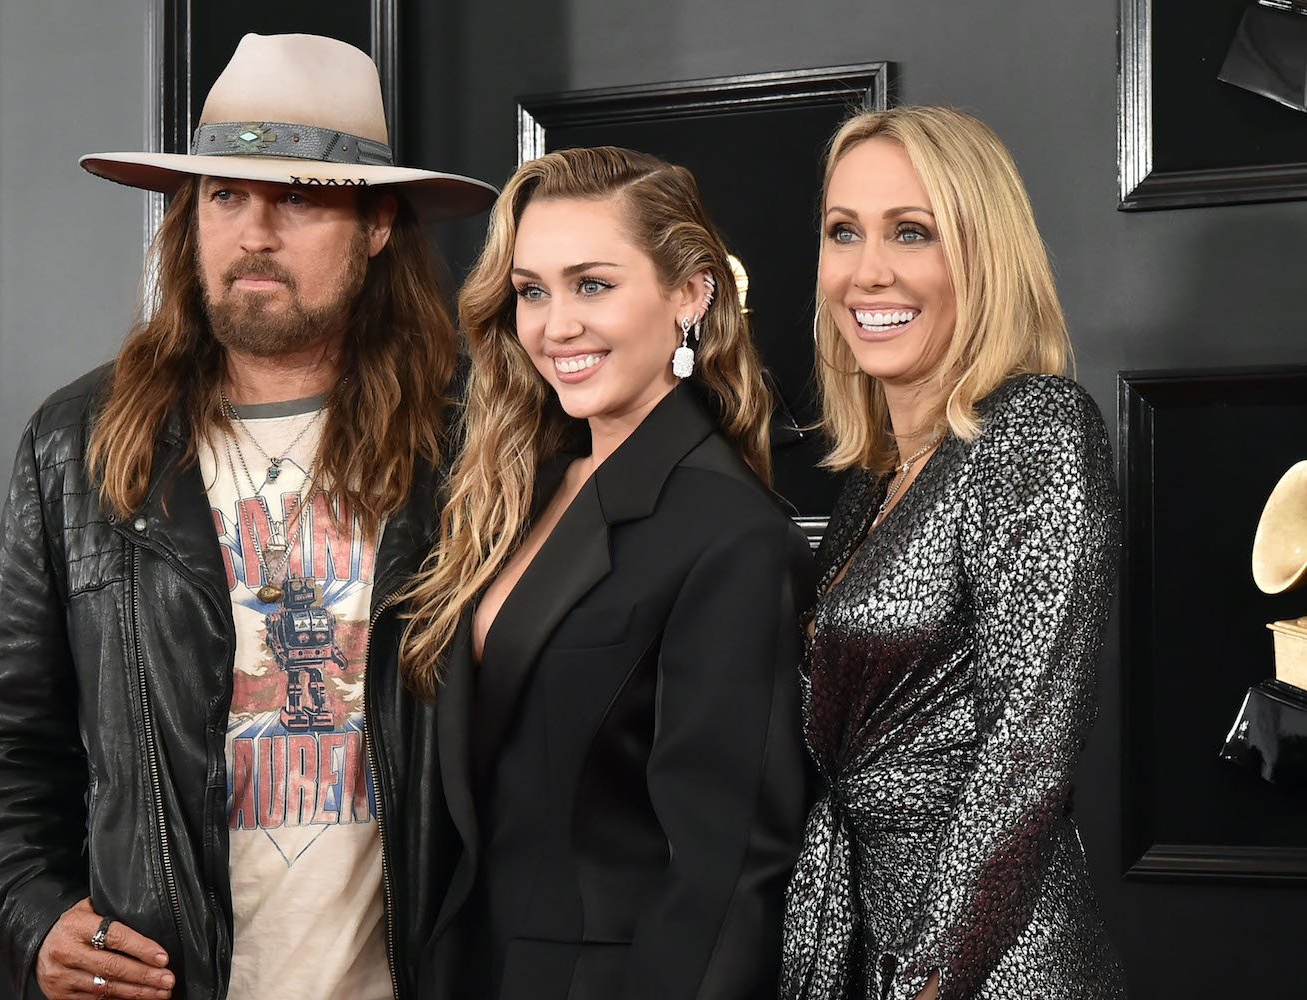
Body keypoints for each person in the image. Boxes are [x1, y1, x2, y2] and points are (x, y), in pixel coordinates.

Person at [0, 33, 496, 1000]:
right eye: (225, 196)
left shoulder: (471, 442)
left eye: (300, 198)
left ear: (375, 224)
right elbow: (1, 740)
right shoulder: (79, 443)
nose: (254, 233)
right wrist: (32, 916)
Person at [398, 146, 813, 999]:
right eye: (532, 290)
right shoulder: (530, 484)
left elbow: (726, 879)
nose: (556, 326)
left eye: (593, 285)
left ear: (689, 295)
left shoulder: (732, 533)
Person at [778, 105, 1127, 1000]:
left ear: (983, 254)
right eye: (842, 232)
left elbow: (1028, 752)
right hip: (861, 945)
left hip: (988, 972)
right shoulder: (876, 479)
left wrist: (925, 981)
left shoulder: (1036, 428)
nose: (868, 272)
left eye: (912, 233)